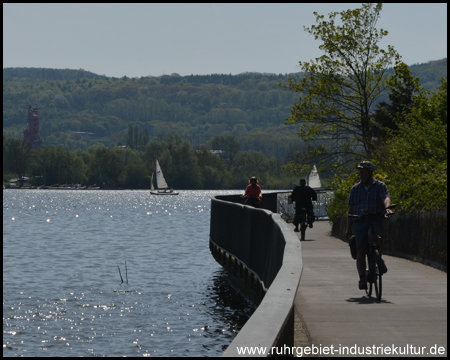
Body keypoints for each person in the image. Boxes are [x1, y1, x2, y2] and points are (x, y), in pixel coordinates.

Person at [345, 161, 392, 290]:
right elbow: (351, 209)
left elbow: (386, 198)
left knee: (373, 232)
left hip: (375, 217)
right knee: (360, 250)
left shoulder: (379, 186)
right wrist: (348, 228)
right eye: (360, 173)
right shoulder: (355, 189)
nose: (361, 175)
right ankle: (362, 278)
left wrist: (387, 208)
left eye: (364, 173)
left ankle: (377, 257)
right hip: (360, 221)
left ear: (370, 173)